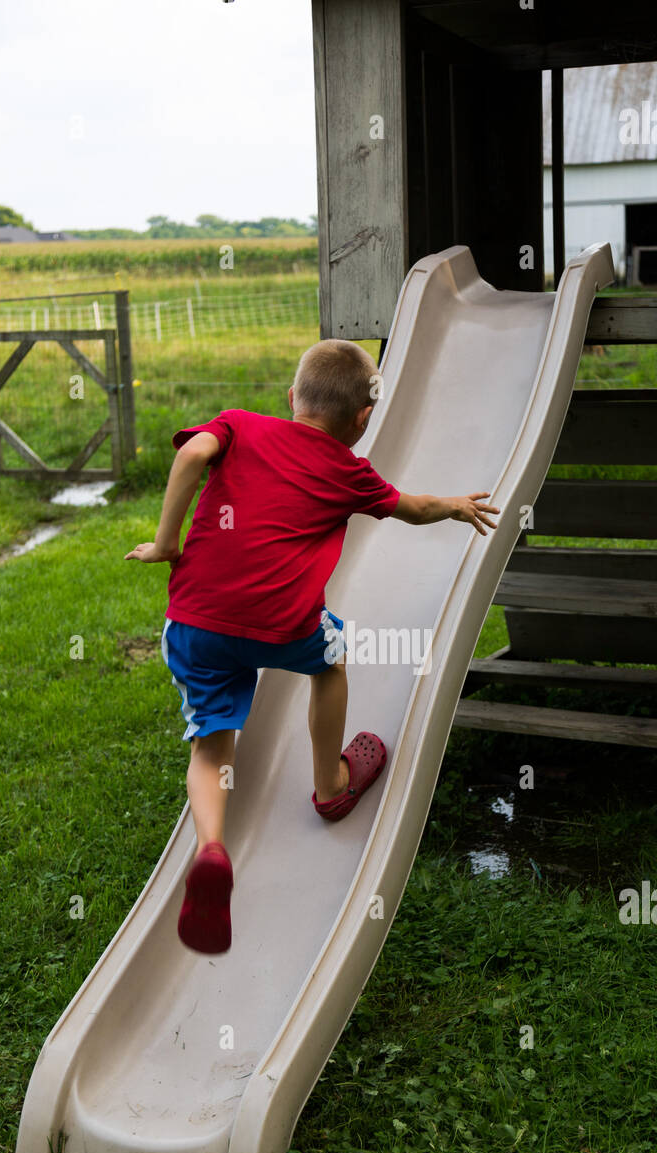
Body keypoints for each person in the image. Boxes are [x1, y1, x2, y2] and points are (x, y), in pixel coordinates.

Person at [125, 339, 499, 954]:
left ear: (291, 397)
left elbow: (192, 451)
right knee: (331, 659)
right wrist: (457, 507)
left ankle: (212, 846)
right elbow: (413, 507)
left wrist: (167, 544)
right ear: (361, 421)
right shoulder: (351, 471)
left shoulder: (239, 427)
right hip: (284, 626)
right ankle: (329, 783)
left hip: (197, 621)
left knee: (212, 736)